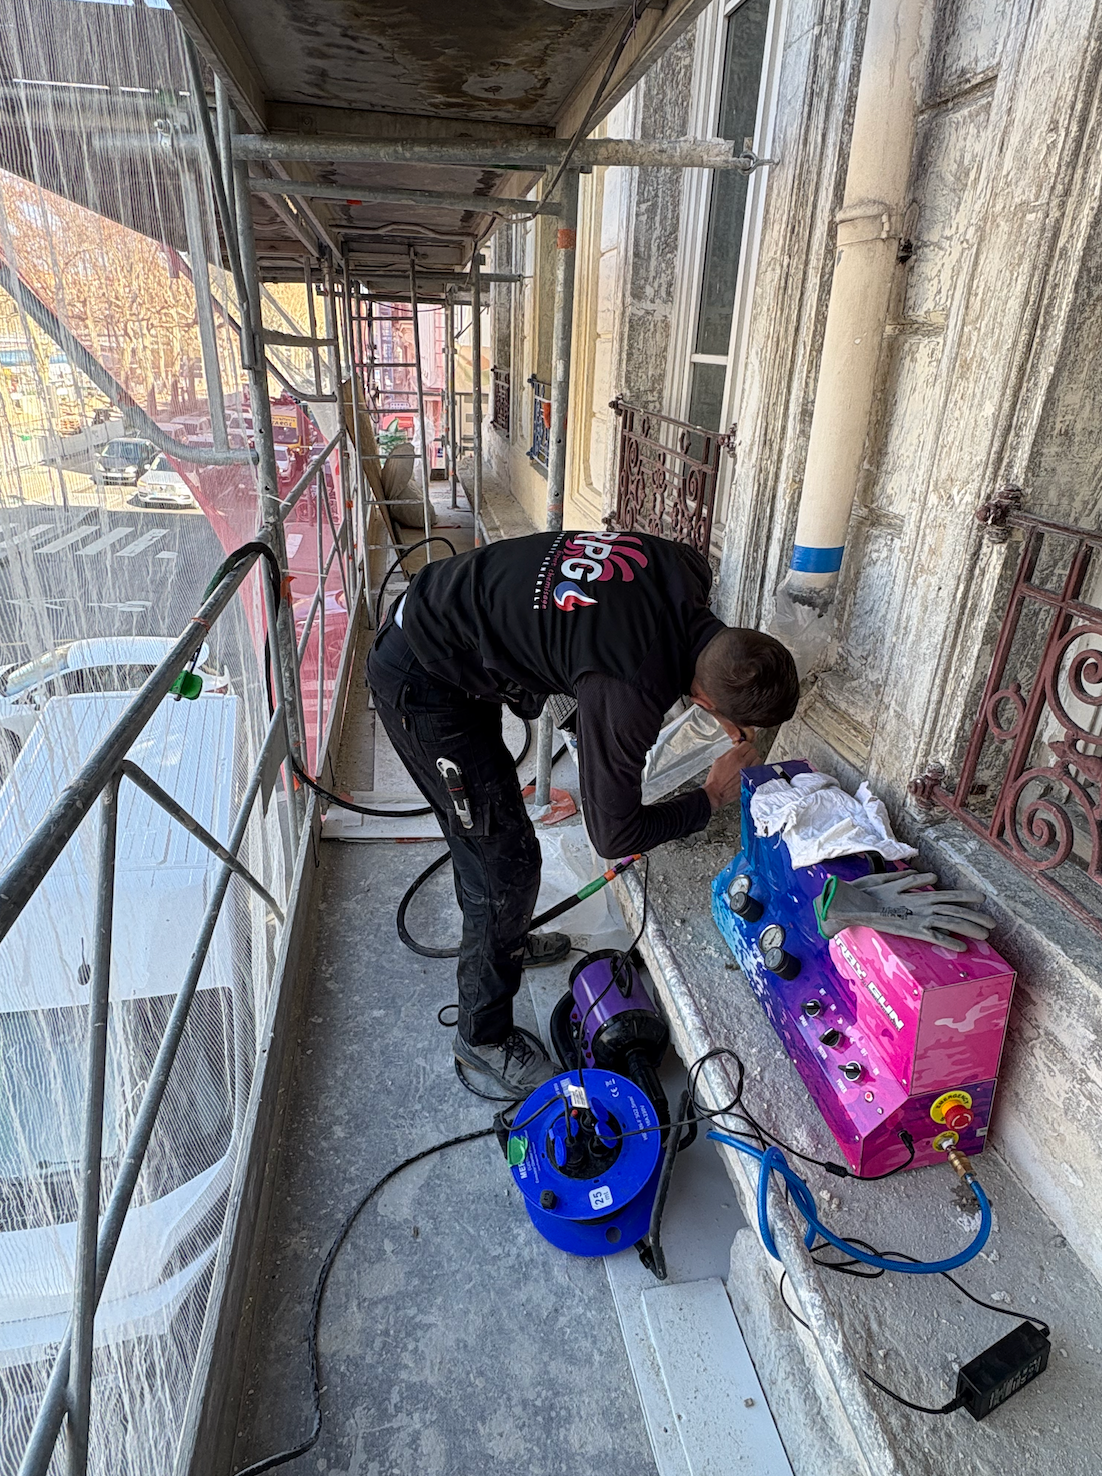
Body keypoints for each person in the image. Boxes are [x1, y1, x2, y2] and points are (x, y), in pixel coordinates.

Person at [367, 529, 799, 1098]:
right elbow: (614, 834)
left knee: (503, 854)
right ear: (709, 704)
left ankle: (508, 937)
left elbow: (597, 628)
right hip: (422, 677)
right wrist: (711, 795)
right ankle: (481, 1035)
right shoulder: (627, 690)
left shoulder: (683, 569)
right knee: (502, 864)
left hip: (453, 616)